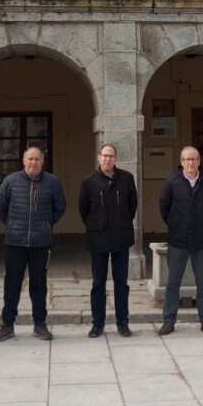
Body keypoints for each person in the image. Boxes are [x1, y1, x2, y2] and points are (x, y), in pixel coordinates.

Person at [0, 146, 65, 343]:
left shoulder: (53, 182)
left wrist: (45, 224)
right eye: (30, 159)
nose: (33, 162)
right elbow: (0, 207)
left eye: (37, 159)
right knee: (12, 284)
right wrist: (13, 225)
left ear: (43, 161)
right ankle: (7, 325)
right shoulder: (11, 181)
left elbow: (60, 208)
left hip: (41, 243)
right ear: (23, 161)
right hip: (14, 242)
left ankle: (40, 324)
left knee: (39, 285)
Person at [158, 146, 203, 336]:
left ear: (199, 161)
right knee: (173, 283)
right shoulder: (171, 182)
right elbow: (164, 208)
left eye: (193, 159)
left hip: (202, 242)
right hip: (178, 241)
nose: (190, 163)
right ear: (181, 161)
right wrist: (177, 225)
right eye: (186, 159)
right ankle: (169, 320)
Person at [78, 143, 138, 338]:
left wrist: (121, 222)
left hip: (121, 237)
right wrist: (96, 224)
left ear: (116, 159)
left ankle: (123, 323)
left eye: (111, 156)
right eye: (104, 156)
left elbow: (132, 206)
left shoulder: (127, 179)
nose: (107, 159)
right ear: (98, 157)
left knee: (121, 283)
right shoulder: (89, 181)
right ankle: (98, 324)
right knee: (98, 283)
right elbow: (83, 209)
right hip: (98, 238)